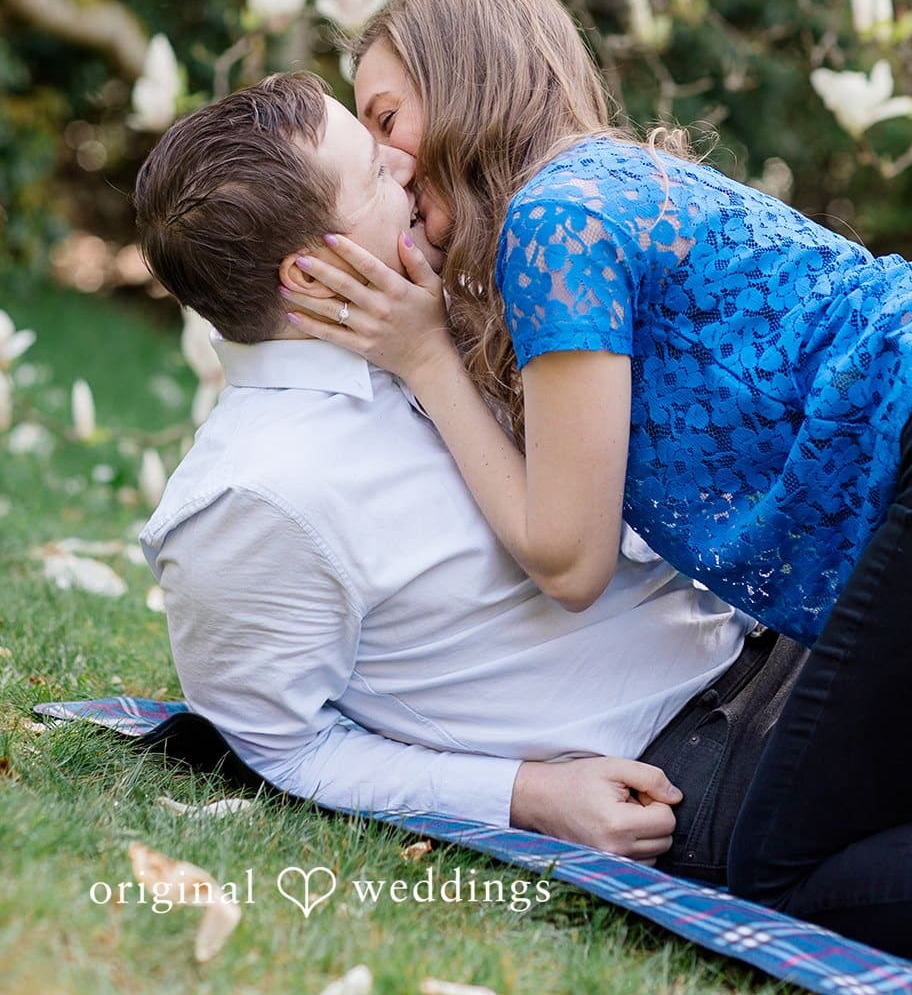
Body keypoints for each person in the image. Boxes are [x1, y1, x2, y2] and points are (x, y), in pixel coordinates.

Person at [282, 0, 912, 964]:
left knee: (781, 865)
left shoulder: (551, 225)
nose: (384, 159)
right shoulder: (610, 185)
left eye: (386, 117)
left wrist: (424, 355)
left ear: (467, 85)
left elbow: (566, 561)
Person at [133, 69, 816, 872]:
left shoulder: (452, 315)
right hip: (686, 769)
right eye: (371, 173)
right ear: (312, 276)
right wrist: (520, 793)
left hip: (780, 646)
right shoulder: (255, 497)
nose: (404, 164)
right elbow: (282, 752)